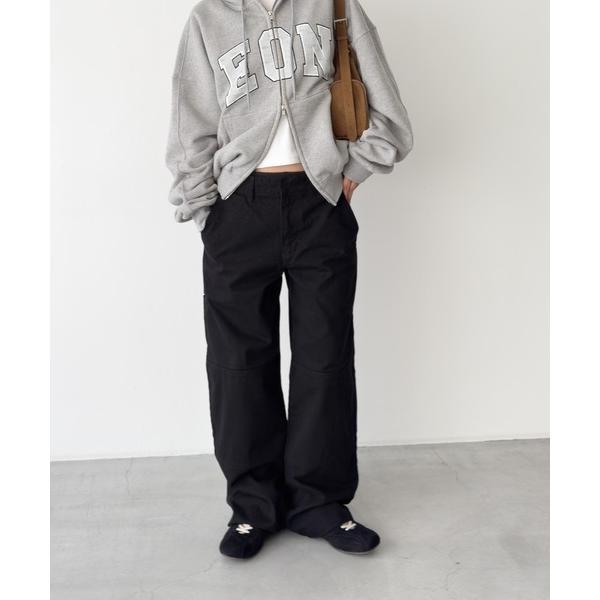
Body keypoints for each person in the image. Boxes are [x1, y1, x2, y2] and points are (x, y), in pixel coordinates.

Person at [166, 0, 413, 559]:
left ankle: (319, 503)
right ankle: (252, 507)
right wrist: (208, 211)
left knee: (325, 357)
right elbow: (190, 126)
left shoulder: (335, 6)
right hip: (238, 207)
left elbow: (391, 114)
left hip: (319, 201)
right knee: (237, 362)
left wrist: (350, 176)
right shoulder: (208, 18)